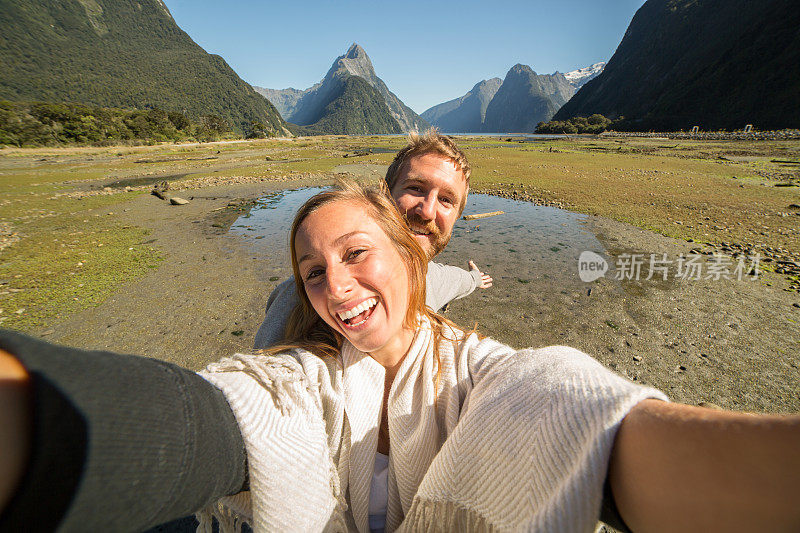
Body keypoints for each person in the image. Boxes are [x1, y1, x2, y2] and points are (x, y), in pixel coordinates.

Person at [1, 182, 799, 532]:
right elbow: (221, 415)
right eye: (313, 271)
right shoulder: (302, 368)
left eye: (356, 253)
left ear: (411, 260)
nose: (335, 286)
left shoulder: (478, 368)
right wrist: (40, 430)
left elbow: (575, 414)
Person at [253, 130, 492, 349]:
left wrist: (475, 278)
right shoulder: (302, 296)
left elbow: (457, 280)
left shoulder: (431, 277)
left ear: (456, 217)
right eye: (416, 188)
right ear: (383, 196)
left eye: (446, 200)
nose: (427, 211)